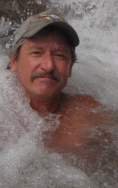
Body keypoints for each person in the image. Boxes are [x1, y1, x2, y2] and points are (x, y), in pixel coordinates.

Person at [8, 11, 106, 151]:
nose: (48, 65)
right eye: (36, 53)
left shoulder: (90, 115)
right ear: (13, 62)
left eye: (59, 55)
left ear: (70, 67)